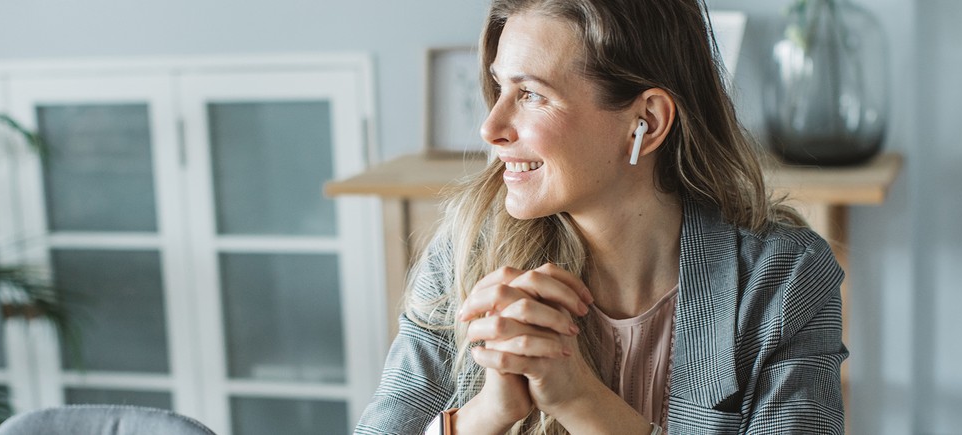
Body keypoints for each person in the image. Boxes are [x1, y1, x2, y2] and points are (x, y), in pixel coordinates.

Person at [356, 0, 848, 433]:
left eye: (530, 94)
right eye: (499, 87)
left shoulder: (783, 280)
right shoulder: (463, 255)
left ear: (647, 122)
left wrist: (579, 400)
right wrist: (486, 414)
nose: (491, 127)